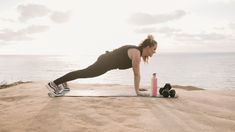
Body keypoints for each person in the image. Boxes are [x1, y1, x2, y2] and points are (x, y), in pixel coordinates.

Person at [46, 35, 157, 96]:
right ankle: (54, 84)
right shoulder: (136, 55)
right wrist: (137, 92)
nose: (154, 52)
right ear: (147, 47)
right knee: (83, 73)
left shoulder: (137, 53)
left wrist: (137, 89)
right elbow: (136, 74)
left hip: (105, 60)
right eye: (154, 49)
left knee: (82, 73)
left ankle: (62, 82)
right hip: (105, 63)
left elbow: (136, 74)